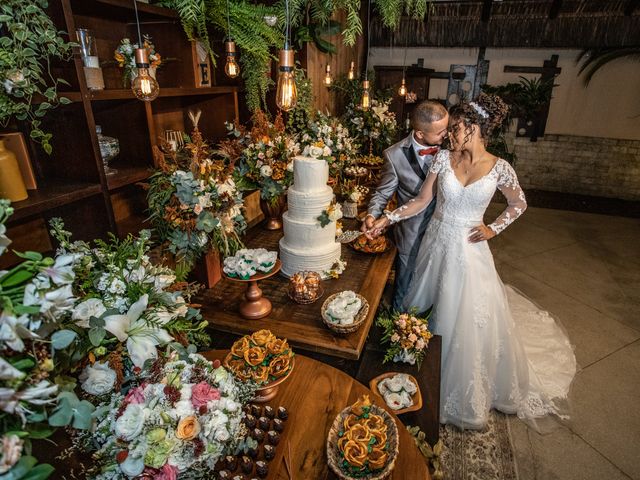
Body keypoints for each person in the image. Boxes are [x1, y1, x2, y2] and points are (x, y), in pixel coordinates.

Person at [369, 93, 576, 430]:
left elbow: (518, 203)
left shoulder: (499, 168)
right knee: (427, 306)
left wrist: (493, 229)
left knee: (466, 318)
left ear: (474, 128)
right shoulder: (443, 160)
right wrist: (387, 218)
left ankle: (460, 389)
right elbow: (422, 201)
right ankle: (416, 367)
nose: (449, 135)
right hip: (435, 246)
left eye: (455, 129)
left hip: (470, 251)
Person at [362, 100, 449, 311]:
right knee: (405, 280)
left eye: (446, 129)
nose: (446, 135)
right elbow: (383, 192)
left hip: (444, 227)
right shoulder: (394, 155)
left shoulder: (452, 147)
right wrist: (371, 215)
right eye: (440, 133)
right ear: (420, 134)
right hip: (411, 228)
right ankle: (397, 324)